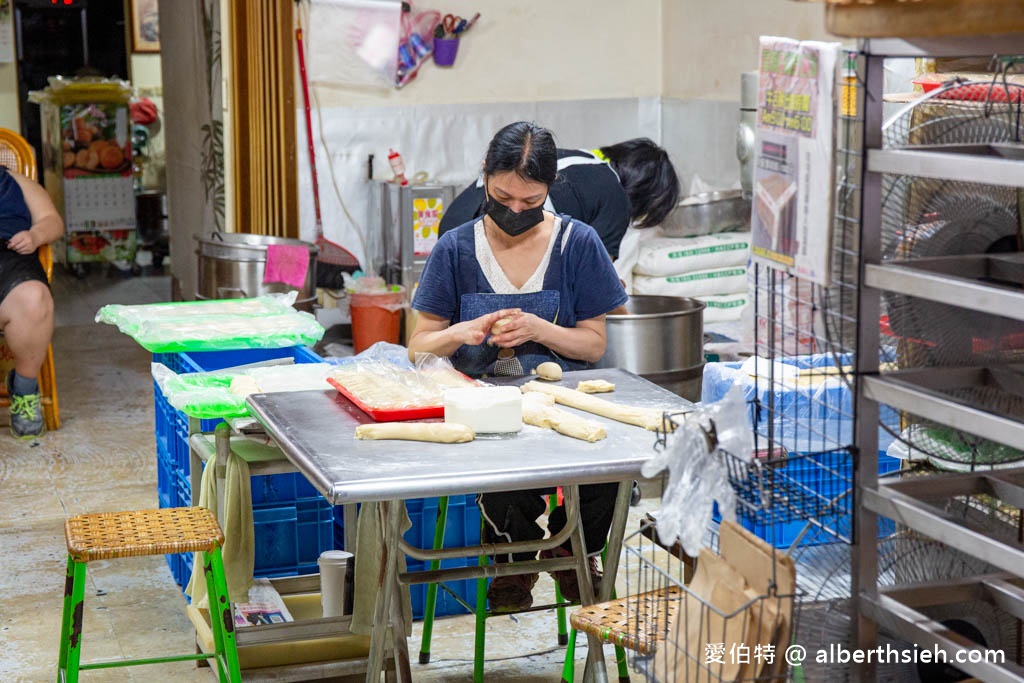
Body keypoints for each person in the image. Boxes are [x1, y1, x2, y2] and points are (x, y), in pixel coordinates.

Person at [409, 121, 628, 611]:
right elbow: (418, 343)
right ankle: (514, 555)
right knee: (504, 461)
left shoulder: (579, 244)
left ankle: (574, 548)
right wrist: (461, 334)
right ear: (484, 176)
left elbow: (592, 346)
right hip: (483, 406)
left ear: (551, 189)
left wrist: (537, 329)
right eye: (502, 196)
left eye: (530, 203)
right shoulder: (456, 249)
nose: (513, 211)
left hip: (564, 401)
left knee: (611, 462)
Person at [438, 137, 680, 260]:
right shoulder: (616, 197)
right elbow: (595, 283)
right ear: (643, 193)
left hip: (447, 235)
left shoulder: (573, 159)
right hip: (485, 251)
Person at [1, 165, 63, 439]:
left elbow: (52, 220)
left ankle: (24, 389)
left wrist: (34, 236)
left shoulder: (14, 181)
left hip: (11, 258)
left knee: (34, 299)